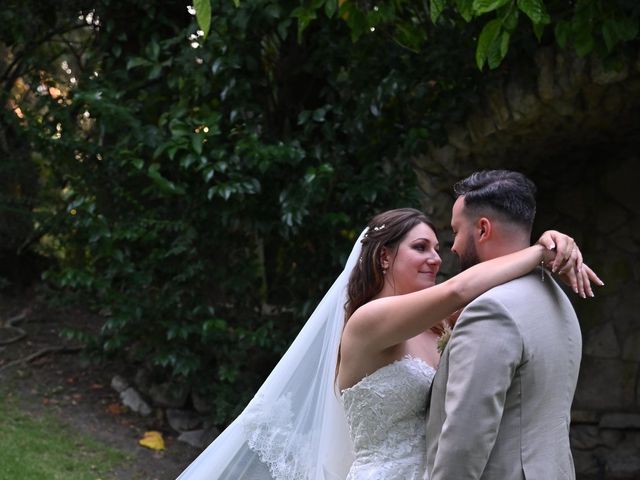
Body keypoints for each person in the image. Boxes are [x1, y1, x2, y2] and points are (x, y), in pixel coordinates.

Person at [177, 204, 600, 480]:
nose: (437, 257)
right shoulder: (368, 320)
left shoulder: (434, 322)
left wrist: (555, 239)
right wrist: (539, 252)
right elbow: (460, 290)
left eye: (437, 246)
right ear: (384, 256)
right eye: (421, 247)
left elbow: (480, 289)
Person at [425, 170, 593, 480]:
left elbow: (464, 441)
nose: (453, 247)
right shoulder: (556, 296)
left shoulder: (492, 310)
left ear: (483, 229)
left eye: (456, 231)